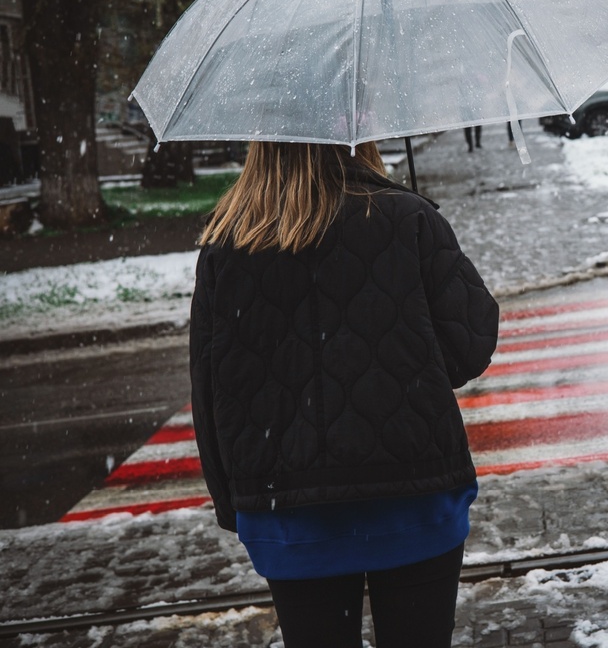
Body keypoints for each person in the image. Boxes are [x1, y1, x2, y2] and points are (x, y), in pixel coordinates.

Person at [189, 141, 499, 648]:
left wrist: (235, 505)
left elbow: (209, 387)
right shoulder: (406, 217)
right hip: (415, 497)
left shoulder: (228, 241)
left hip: (288, 513)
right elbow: (468, 349)